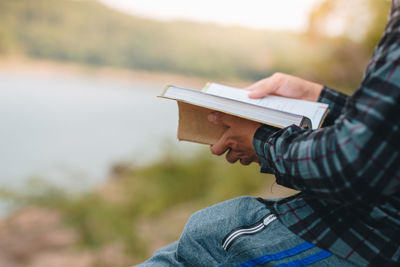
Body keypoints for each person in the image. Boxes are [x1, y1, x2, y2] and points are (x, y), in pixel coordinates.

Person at [137, 1, 400, 266]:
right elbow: (387, 136)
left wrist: (260, 141)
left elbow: (354, 164)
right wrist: (318, 98)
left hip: (372, 236)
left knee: (201, 247)